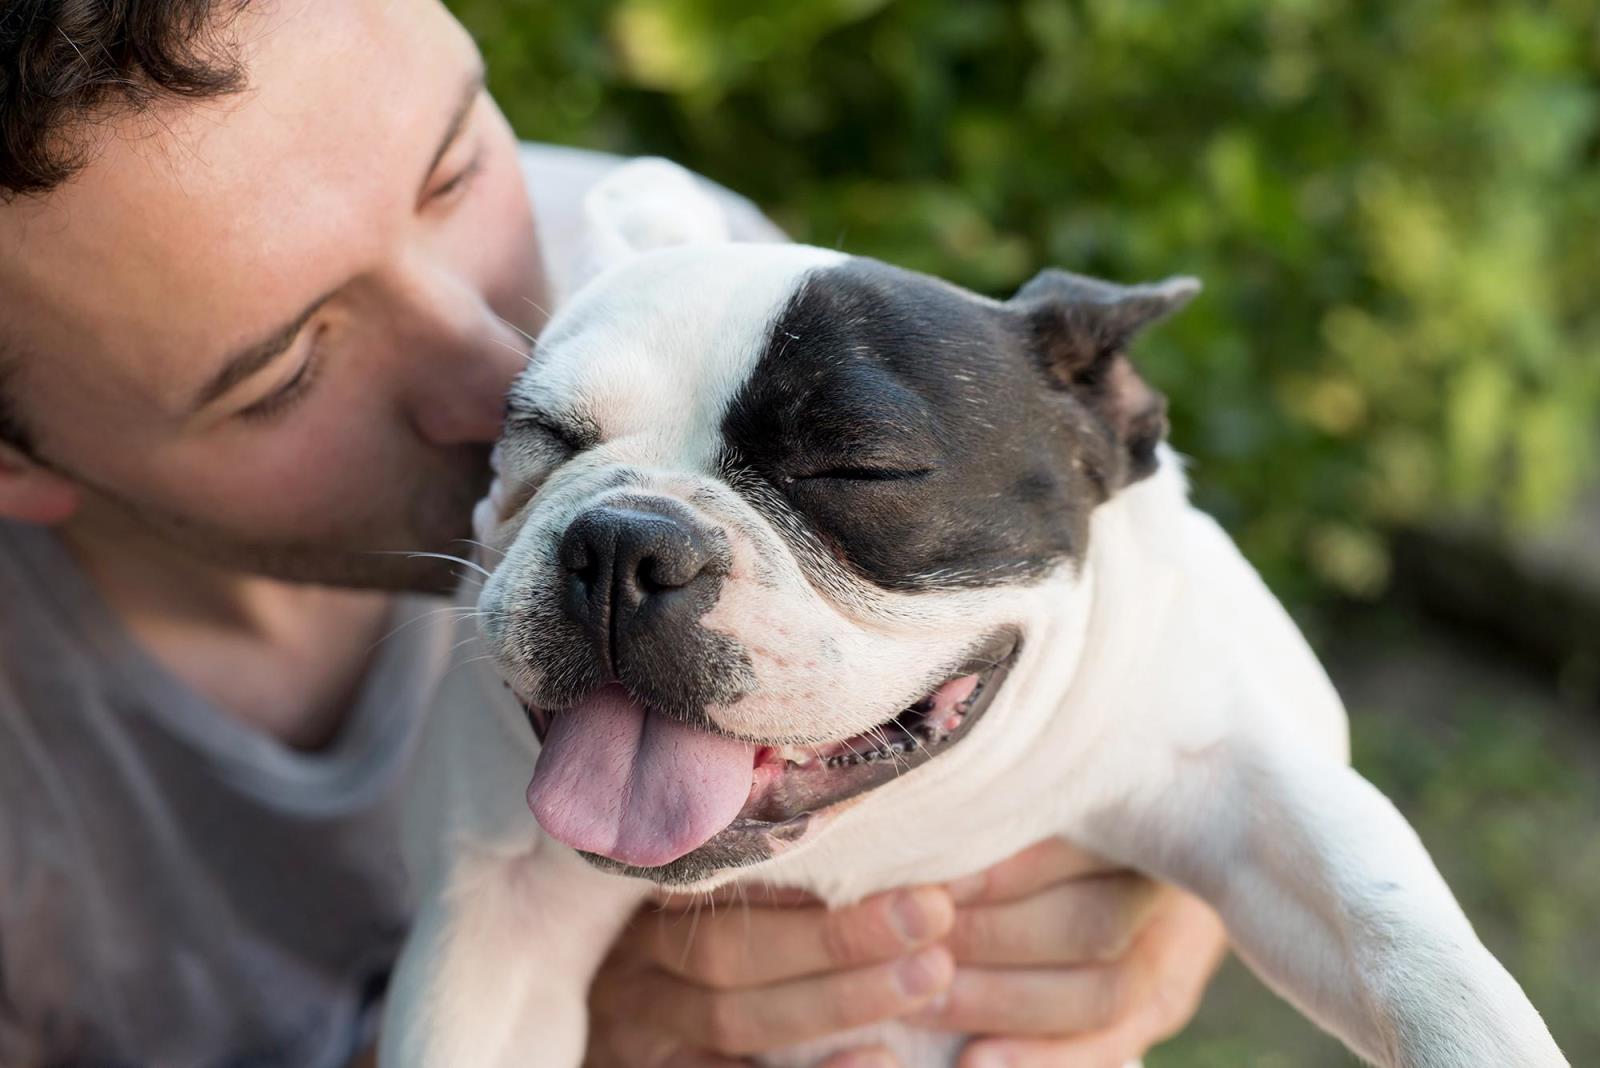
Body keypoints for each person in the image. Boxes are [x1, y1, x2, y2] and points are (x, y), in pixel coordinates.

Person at [0, 2, 1227, 1066]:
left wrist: (1178, 887)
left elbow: (1155, 654)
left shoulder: (688, 274)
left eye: (456, 171)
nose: (503, 372)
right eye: (282, 375)